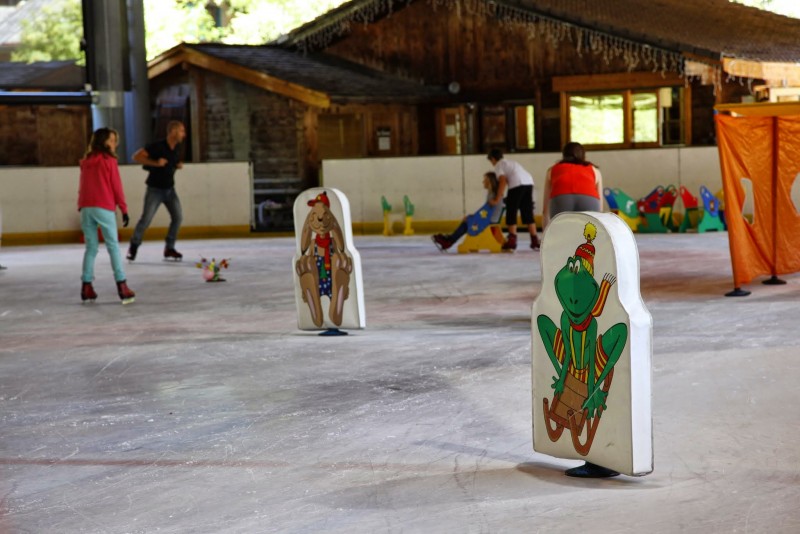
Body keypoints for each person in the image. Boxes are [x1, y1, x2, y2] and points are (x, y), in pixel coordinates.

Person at [78, 127, 135, 304]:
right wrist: (124, 208)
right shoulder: (109, 161)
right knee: (113, 246)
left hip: (86, 208)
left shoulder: (86, 161)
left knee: (91, 248)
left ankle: (86, 286)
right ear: (103, 142)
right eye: (111, 140)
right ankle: (122, 285)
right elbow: (116, 186)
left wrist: (81, 205)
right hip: (103, 206)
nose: (114, 144)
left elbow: (82, 186)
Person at [127, 120, 187, 261]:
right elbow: (136, 156)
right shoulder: (157, 146)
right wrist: (155, 163)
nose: (184, 134)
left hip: (170, 189)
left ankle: (169, 248)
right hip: (155, 189)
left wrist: (177, 165)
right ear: (173, 132)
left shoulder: (176, 148)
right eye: (181, 131)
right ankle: (134, 246)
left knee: (178, 217)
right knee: (146, 220)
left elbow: (169, 164)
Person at [432, 172, 503, 251]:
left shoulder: (492, 195)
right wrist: (473, 216)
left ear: (489, 181)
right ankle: (450, 239)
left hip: (488, 221)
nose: (483, 182)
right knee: (469, 219)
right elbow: (485, 211)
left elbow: (486, 211)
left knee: (466, 222)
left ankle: (450, 241)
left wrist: (472, 217)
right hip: (490, 219)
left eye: (484, 180)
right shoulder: (494, 194)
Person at [487, 148, 540, 251]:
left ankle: (512, 239)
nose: (492, 163)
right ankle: (534, 240)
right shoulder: (510, 162)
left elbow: (502, 181)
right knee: (527, 211)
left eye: (491, 161)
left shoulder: (499, 165)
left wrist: (497, 198)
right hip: (528, 182)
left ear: (493, 159)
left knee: (511, 210)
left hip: (516, 184)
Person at [541, 142, 603, 228]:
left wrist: (545, 237)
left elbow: (545, 210)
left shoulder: (552, 170)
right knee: (587, 234)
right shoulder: (594, 170)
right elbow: (600, 208)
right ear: (583, 155)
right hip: (589, 200)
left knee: (561, 233)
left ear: (564, 155)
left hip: (561, 199)